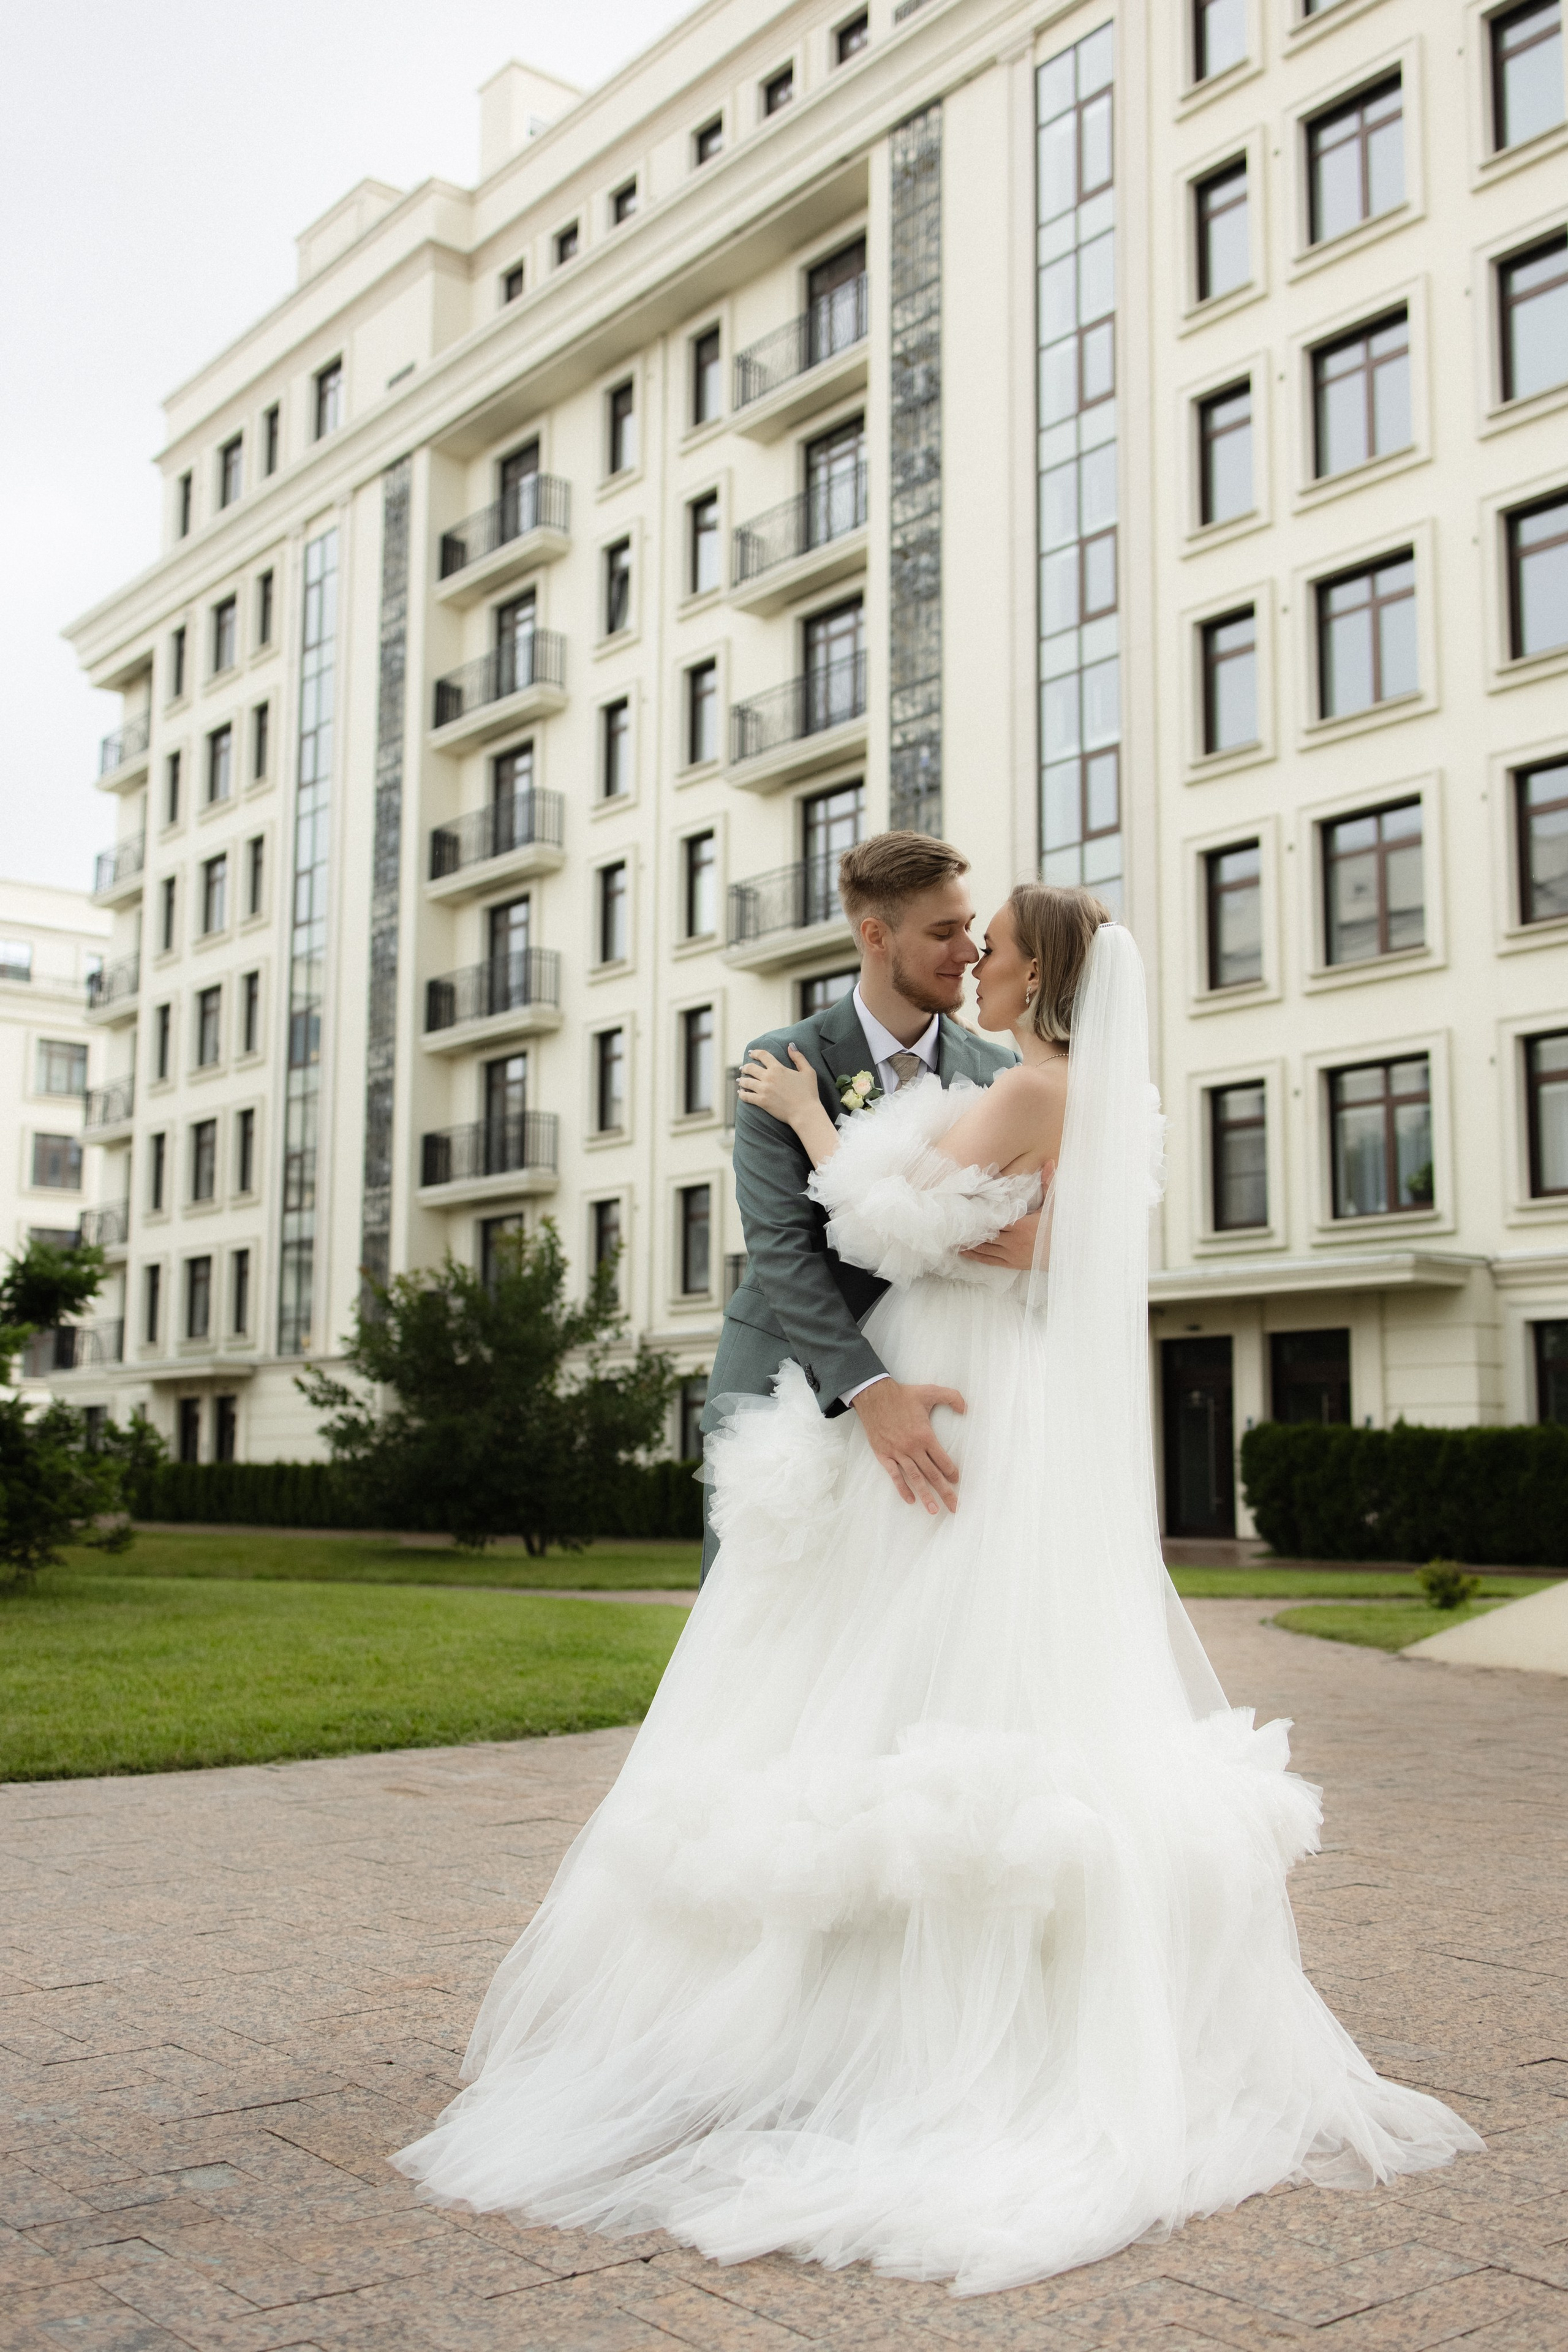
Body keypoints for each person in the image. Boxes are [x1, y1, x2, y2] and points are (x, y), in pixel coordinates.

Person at [394, 880, 1481, 2296]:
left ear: (1040, 977)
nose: (977, 962)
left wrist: (809, 1123)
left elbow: (876, 1215)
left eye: (998, 949)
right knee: (914, 1660)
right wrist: (936, 1214)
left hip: (952, 1386)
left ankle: (862, 2031)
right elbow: (1017, 1238)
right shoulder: (1084, 1090)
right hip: (981, 1379)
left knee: (892, 1666)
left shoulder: (1027, 1083)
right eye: (963, 941)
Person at [698, 832, 1019, 1581]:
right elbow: (782, 1250)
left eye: (968, 928)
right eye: (943, 932)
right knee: (759, 1619)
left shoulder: (998, 1073)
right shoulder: (783, 1063)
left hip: (944, 1370)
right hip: (791, 1370)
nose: (968, 951)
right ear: (876, 936)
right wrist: (870, 1392)